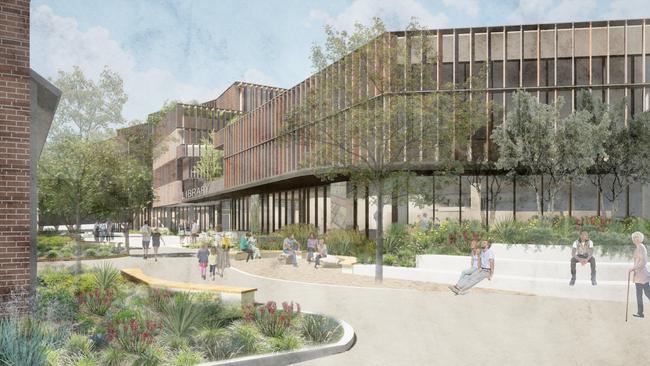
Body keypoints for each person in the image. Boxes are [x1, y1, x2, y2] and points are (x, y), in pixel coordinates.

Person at [629, 231, 650, 318]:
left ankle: (640, 313)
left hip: (643, 275)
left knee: (647, 293)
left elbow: (643, 262)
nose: (636, 239)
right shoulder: (637, 248)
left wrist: (634, 268)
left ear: (640, 238)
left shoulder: (642, 247)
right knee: (639, 295)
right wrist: (634, 270)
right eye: (634, 237)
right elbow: (636, 262)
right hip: (638, 275)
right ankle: (640, 313)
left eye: (637, 237)